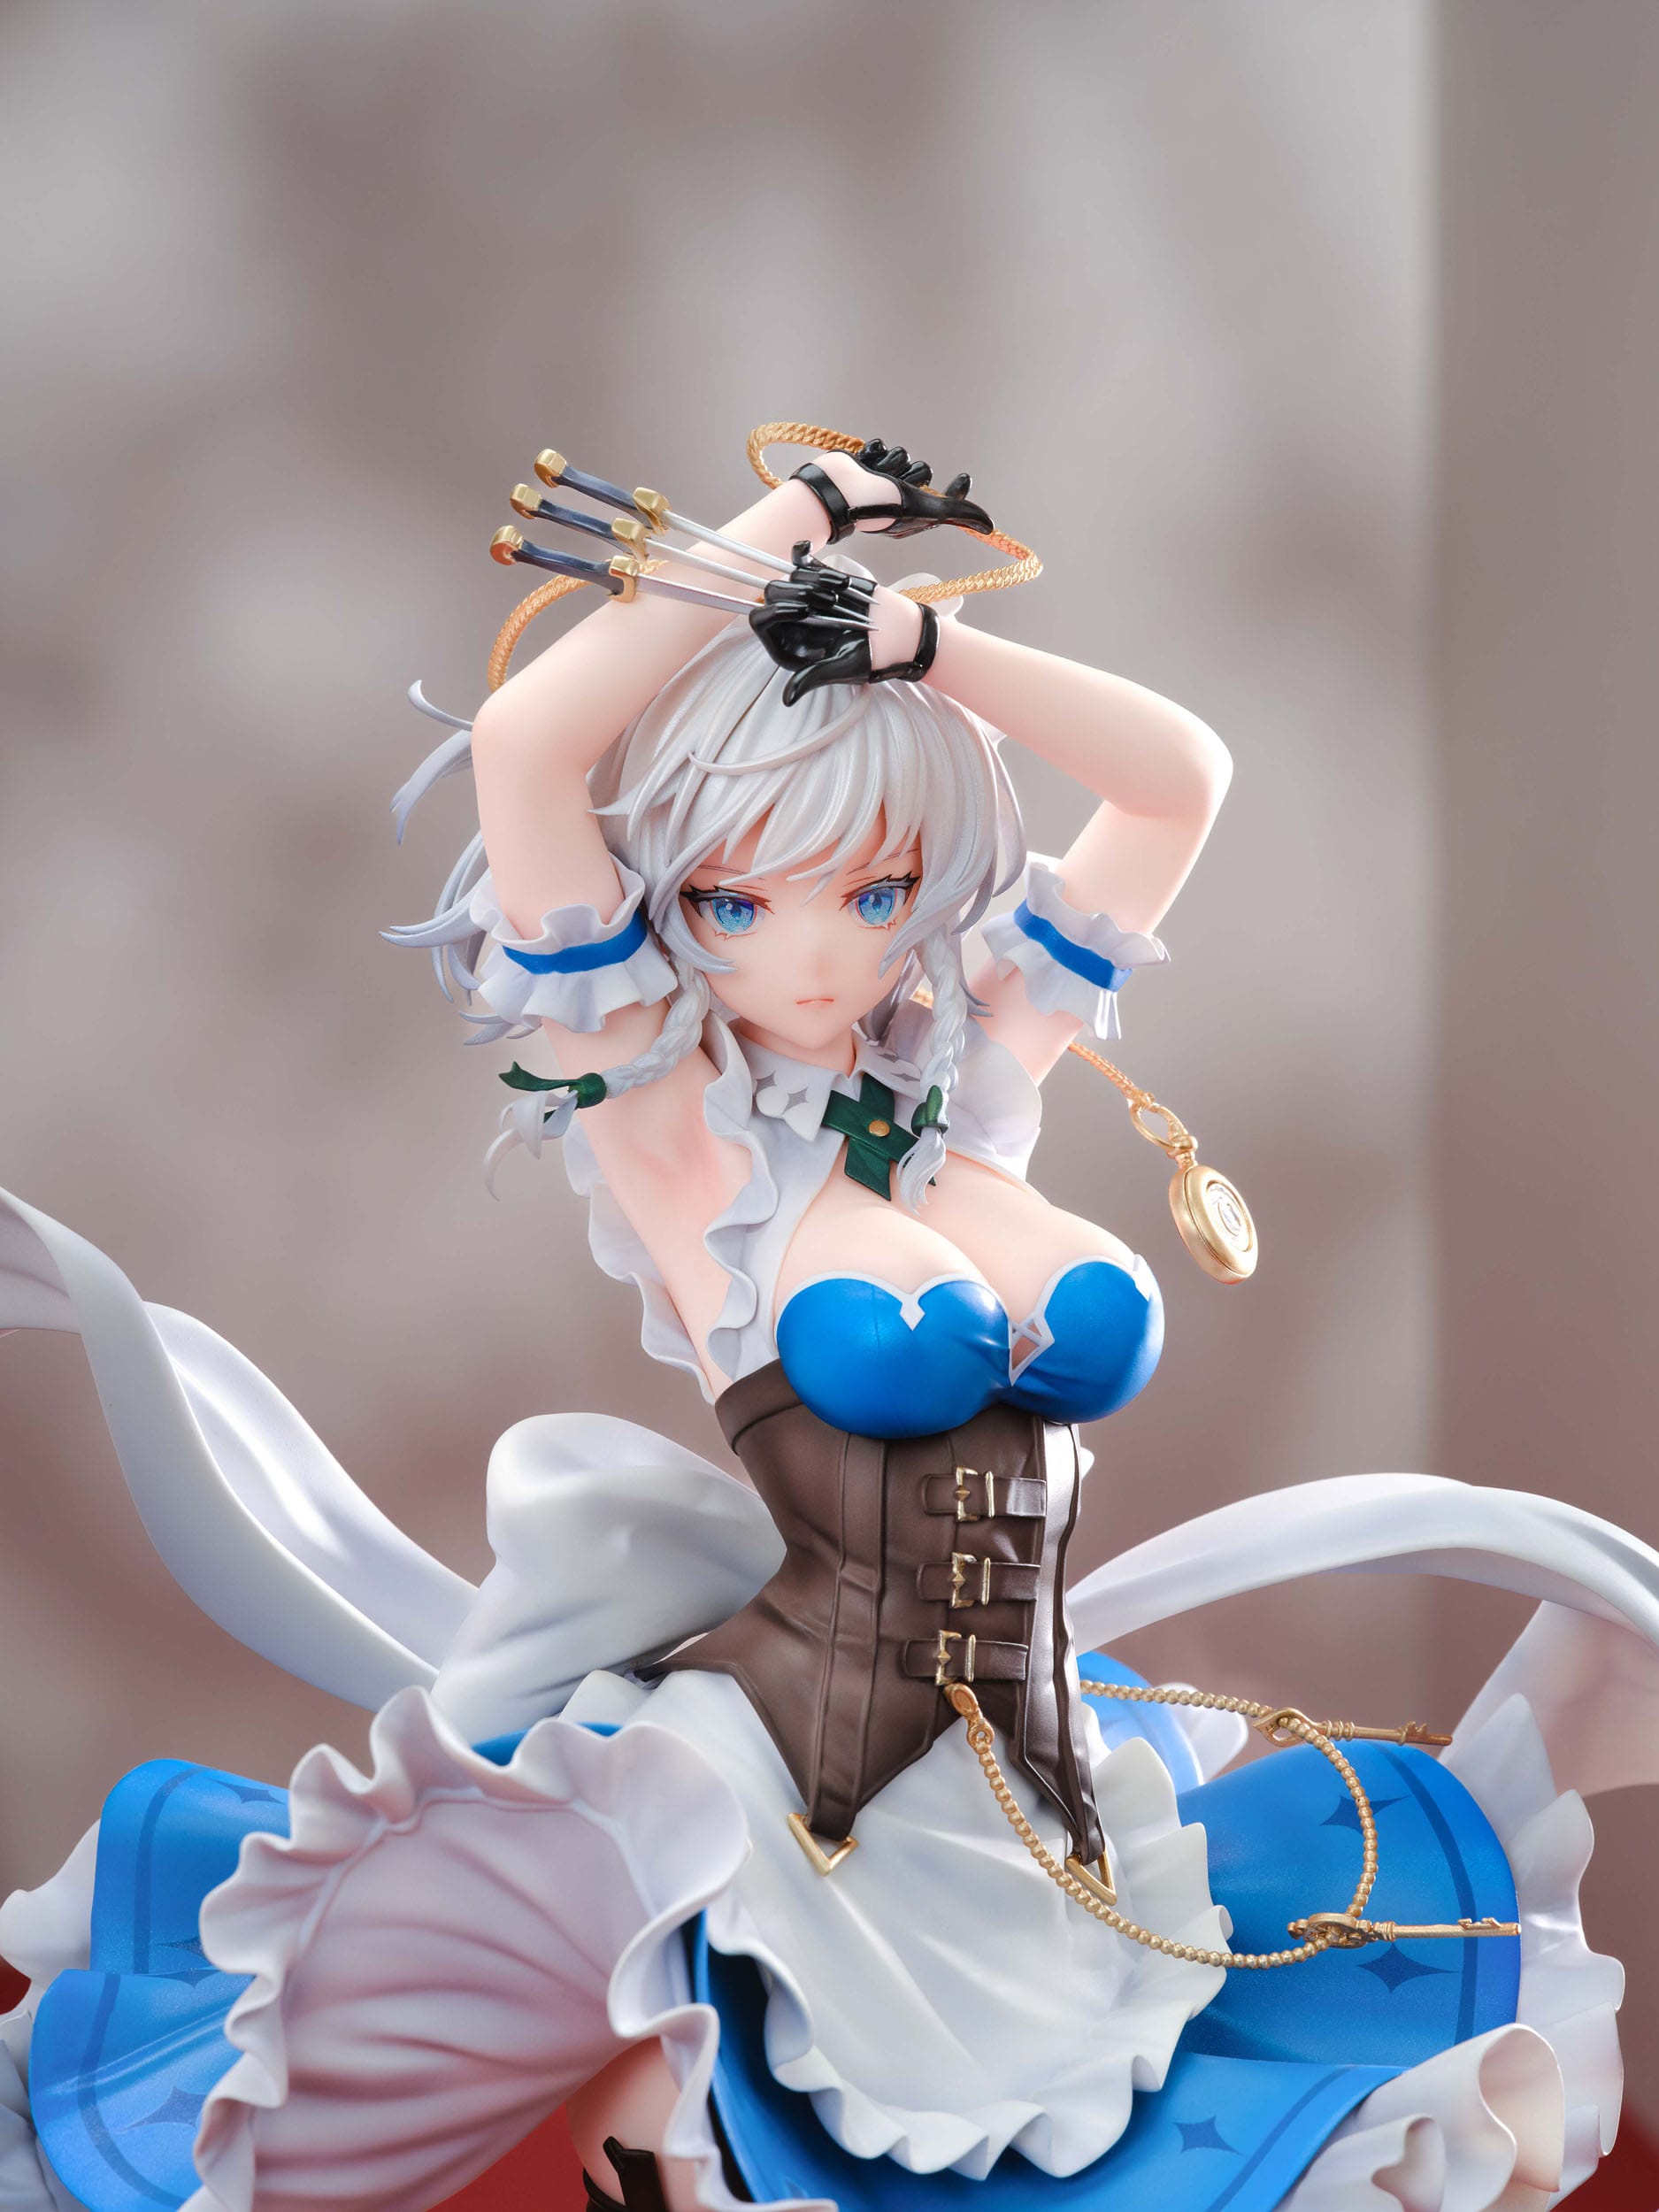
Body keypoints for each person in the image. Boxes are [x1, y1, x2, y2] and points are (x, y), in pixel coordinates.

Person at [2, 435, 1657, 2212]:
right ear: (674, 899)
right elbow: (528, 747)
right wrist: (788, 523)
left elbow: (1179, 780)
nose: (812, 955)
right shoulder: (679, 1138)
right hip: (782, 1789)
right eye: (737, 899)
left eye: (873, 895)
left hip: (1039, 1789)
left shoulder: (967, 1092)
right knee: (747, 2121)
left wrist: (919, 645)